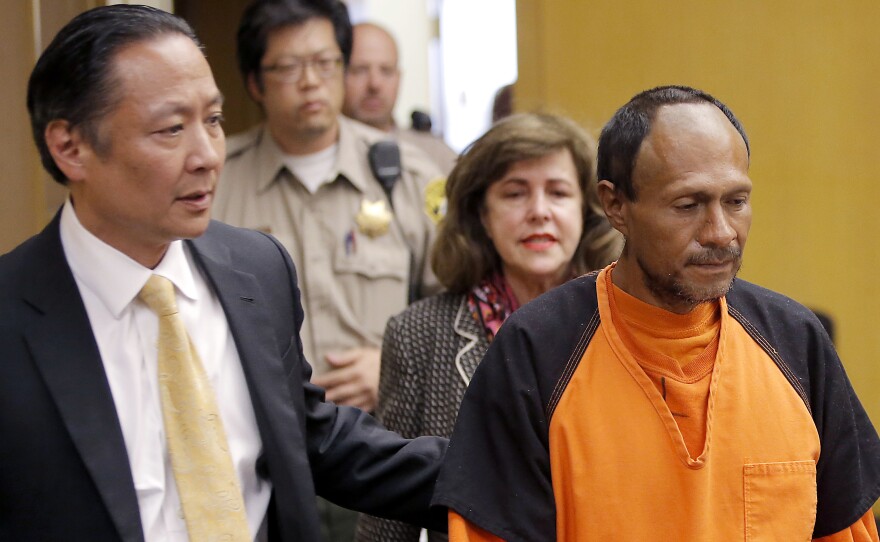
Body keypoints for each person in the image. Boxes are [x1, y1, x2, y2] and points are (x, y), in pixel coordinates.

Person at [0, 5, 447, 541]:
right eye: (171, 128)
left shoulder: (256, 268)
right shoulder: (13, 315)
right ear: (70, 148)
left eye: (212, 120)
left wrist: (496, 475)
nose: (208, 156)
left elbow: (310, 437)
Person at [431, 86, 880, 541]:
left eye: (736, 201)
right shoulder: (538, 349)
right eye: (688, 205)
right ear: (615, 206)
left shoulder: (793, 340)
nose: (721, 232)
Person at [212, 2, 444, 540]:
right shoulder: (217, 184)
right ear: (255, 82)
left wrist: (393, 361)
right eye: (289, 67)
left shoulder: (407, 174)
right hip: (262, 456)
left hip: (383, 451)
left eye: (325, 62)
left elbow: (460, 308)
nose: (311, 82)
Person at [356, 113, 622, 542]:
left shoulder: (626, 321)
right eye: (515, 193)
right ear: (482, 214)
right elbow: (388, 512)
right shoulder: (418, 334)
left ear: (587, 210)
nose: (539, 212)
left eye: (558, 193)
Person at [342, 22, 458, 173]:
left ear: (399, 78)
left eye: (386, 71)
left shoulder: (437, 156)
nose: (375, 84)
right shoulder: (321, 155)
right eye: (359, 70)